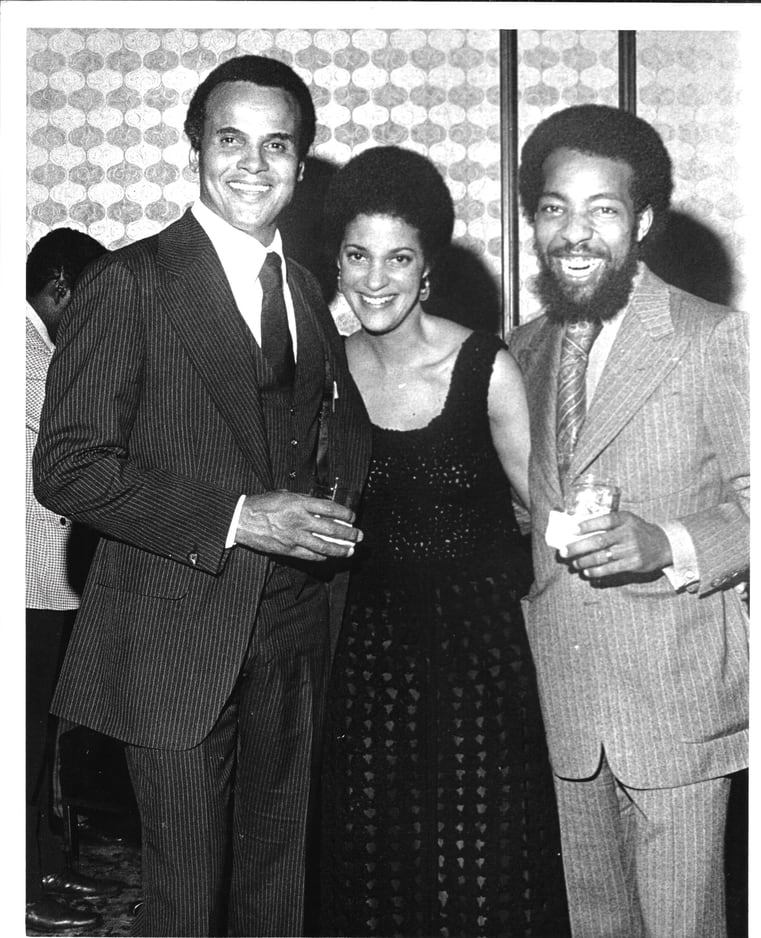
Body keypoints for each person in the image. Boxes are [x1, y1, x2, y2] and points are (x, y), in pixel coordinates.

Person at [33, 54, 371, 937]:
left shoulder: (302, 291)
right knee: (185, 898)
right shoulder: (131, 283)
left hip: (293, 633)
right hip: (177, 641)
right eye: (232, 140)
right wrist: (236, 517)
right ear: (195, 149)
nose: (254, 165)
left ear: (301, 164)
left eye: (278, 145)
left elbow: (316, 436)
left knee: (277, 886)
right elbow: (67, 465)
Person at [316, 145, 570, 938]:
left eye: (399, 258)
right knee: (376, 858)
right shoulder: (327, 370)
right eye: (358, 256)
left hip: (483, 655)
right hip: (369, 654)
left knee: (482, 861)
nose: (376, 278)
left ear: (427, 269)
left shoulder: (482, 365)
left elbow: (543, 508)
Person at [510, 103, 749, 938]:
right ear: (534, 219)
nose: (576, 233)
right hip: (562, 706)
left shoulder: (712, 336)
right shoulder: (522, 350)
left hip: (676, 706)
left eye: (603, 210)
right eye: (554, 208)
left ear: (642, 220)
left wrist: (668, 544)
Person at [26, 228, 112, 933]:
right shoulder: (21, 352)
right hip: (23, 591)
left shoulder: (43, 350)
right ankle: (23, 888)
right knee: (24, 740)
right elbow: (82, 431)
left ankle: (42, 866)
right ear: (58, 287)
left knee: (47, 741)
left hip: (47, 590)